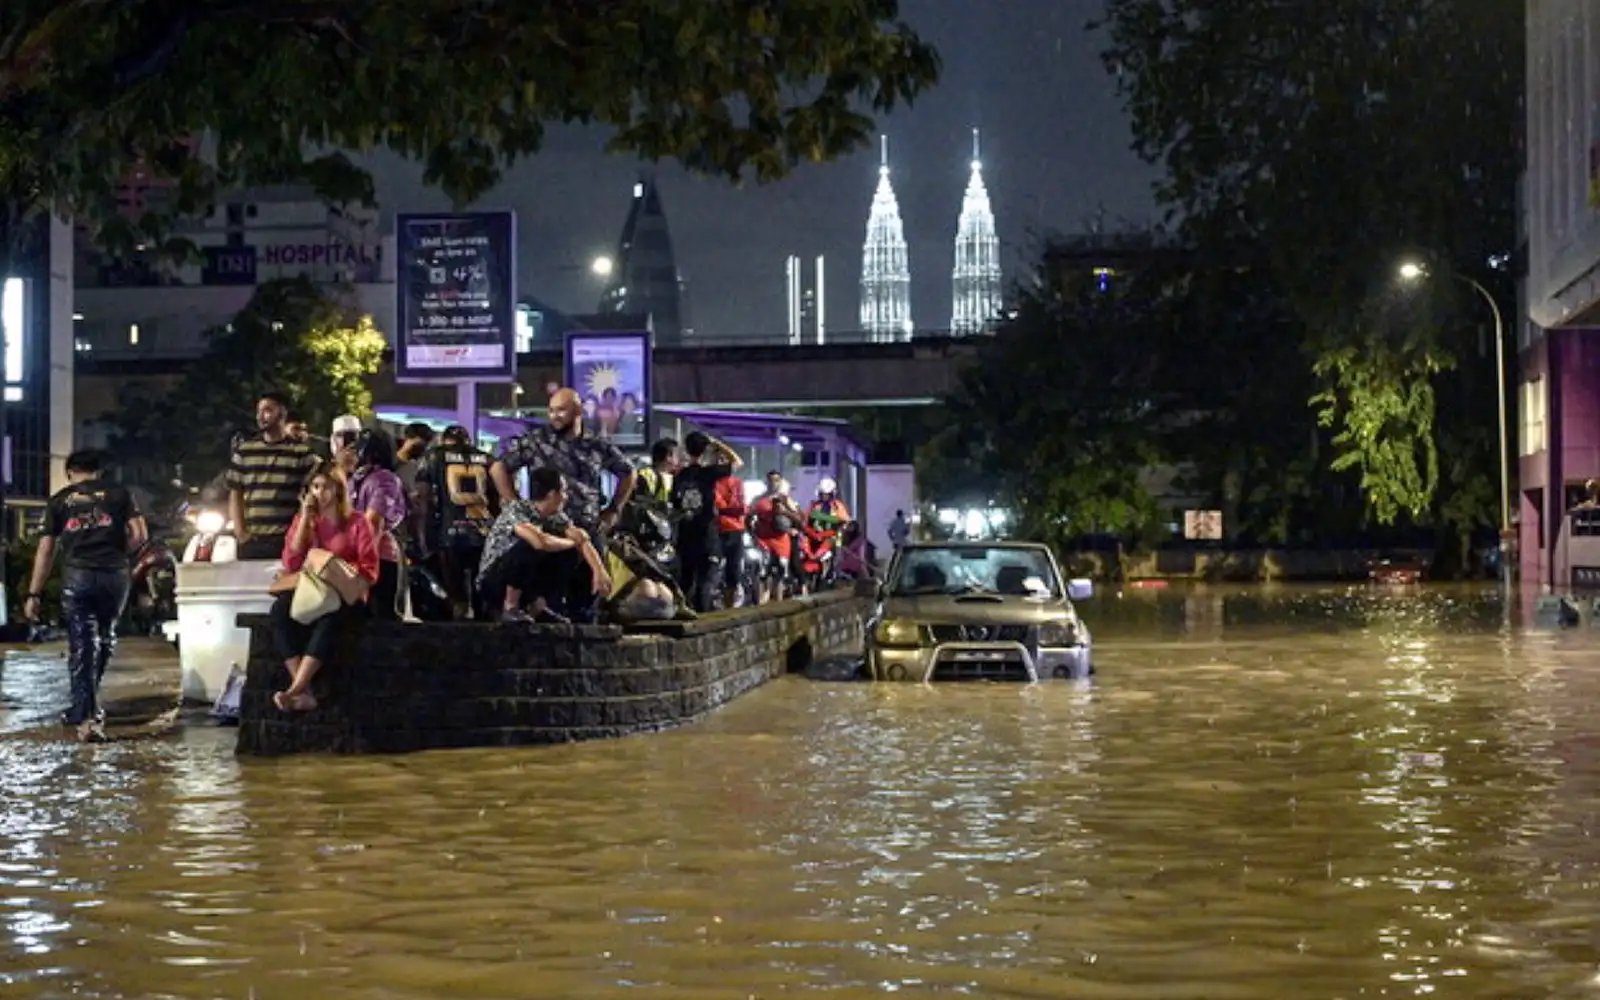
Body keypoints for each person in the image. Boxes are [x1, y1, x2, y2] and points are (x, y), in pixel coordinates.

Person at [24, 451, 148, 742]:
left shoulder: (59, 501)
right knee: (105, 637)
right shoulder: (121, 494)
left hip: (78, 575)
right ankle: (84, 706)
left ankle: (88, 717)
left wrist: (34, 593)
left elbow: (46, 550)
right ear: (98, 472)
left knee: (82, 643)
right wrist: (118, 554)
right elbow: (140, 534)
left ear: (70, 473)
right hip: (114, 575)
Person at [491, 386, 636, 622]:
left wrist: (614, 509)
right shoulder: (537, 441)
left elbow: (628, 473)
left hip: (589, 526)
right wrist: (512, 502)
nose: (554, 416)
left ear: (578, 410)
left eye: (561, 410)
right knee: (550, 597)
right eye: (551, 410)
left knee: (589, 597)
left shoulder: (596, 444)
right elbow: (499, 468)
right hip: (551, 529)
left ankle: (587, 645)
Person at [271, 463, 380, 713]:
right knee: (279, 611)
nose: (320, 493)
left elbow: (369, 567)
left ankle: (295, 689)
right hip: (310, 590)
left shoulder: (357, 522)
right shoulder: (304, 520)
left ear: (339, 490)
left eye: (326, 487)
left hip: (344, 593)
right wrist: (304, 522)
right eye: (316, 487)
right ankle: (304, 690)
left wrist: (335, 568)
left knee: (330, 619)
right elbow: (291, 562)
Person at [477, 468, 611, 623]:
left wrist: (599, 570)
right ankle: (510, 607)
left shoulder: (556, 516)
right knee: (529, 547)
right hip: (495, 582)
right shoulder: (516, 510)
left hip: (525, 584)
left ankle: (539, 606)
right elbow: (539, 542)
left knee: (570, 554)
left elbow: (581, 537)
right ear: (552, 494)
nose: (566, 497)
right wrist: (572, 543)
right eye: (564, 492)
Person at [226, 392, 319, 560]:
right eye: (258, 411)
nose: (261, 416)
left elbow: (310, 495)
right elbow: (235, 494)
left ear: (282, 413)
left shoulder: (301, 453)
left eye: (268, 410)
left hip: (287, 540)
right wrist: (241, 533)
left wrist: (299, 533)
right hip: (252, 540)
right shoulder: (245, 452)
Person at [417, 424, 496, 617]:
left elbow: (422, 496)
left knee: (455, 598)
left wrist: (423, 533)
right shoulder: (487, 458)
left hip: (450, 532)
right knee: (483, 596)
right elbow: (497, 499)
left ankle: (458, 639)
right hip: (483, 531)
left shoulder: (434, 456)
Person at [670, 430, 744, 612]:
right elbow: (737, 462)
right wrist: (716, 442)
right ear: (705, 451)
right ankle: (701, 619)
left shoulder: (679, 475)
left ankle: (683, 613)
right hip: (706, 535)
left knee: (685, 580)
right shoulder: (709, 473)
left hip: (684, 535)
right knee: (705, 580)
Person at [348, 428, 408, 619]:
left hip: (377, 555)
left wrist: (363, 563)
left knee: (380, 616)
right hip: (362, 554)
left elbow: (373, 524)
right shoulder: (358, 478)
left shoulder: (382, 479)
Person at [750, 471, 802, 604]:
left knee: (781, 571)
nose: (773, 483)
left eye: (777, 480)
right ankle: (760, 604)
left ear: (780, 482)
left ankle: (779, 603)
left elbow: (799, 519)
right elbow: (748, 517)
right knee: (762, 572)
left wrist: (785, 512)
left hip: (781, 539)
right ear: (766, 482)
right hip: (763, 539)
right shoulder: (758, 500)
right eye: (771, 480)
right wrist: (753, 536)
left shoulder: (785, 499)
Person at [636, 437, 680, 505]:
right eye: (676, 456)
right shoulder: (670, 479)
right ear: (668, 457)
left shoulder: (643, 473)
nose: (678, 460)